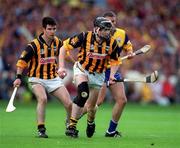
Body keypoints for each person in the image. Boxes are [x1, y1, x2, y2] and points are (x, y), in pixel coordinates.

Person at [58, 16, 121, 138]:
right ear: (97, 29)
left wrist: (112, 75)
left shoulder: (112, 42)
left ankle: (90, 122)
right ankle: (72, 126)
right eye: (105, 29)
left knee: (92, 107)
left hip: (98, 75)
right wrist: (61, 67)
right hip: (82, 69)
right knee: (83, 93)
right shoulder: (84, 36)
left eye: (109, 30)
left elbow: (115, 61)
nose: (107, 32)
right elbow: (63, 47)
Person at [13, 16, 72, 138]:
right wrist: (18, 77)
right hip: (36, 78)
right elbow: (21, 62)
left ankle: (69, 124)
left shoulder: (58, 42)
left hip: (53, 78)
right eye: (49, 29)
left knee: (69, 104)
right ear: (43, 29)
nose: (52, 31)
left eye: (54, 29)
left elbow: (64, 55)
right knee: (43, 99)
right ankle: (41, 129)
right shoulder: (33, 45)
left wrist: (76, 63)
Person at [81, 11, 134, 137]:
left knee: (122, 100)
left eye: (114, 22)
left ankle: (111, 131)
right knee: (96, 102)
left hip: (114, 70)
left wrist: (130, 52)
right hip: (101, 70)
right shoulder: (98, 35)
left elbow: (128, 46)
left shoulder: (121, 34)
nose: (112, 24)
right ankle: (72, 121)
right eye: (109, 22)